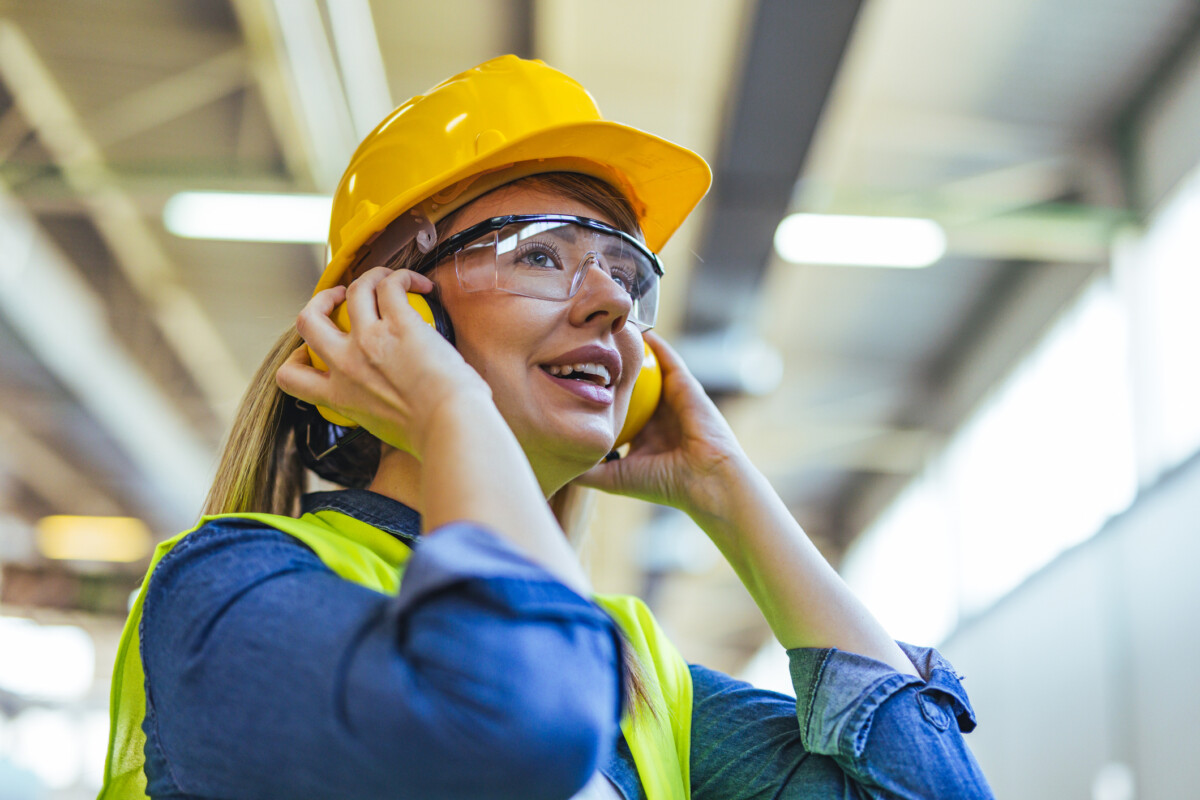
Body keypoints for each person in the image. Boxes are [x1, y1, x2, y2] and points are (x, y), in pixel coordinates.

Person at [100, 55, 994, 799]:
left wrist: (727, 487)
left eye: (624, 269)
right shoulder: (224, 587)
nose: (611, 301)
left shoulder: (644, 678)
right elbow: (514, 724)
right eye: (541, 252)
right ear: (396, 317)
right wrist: (452, 407)